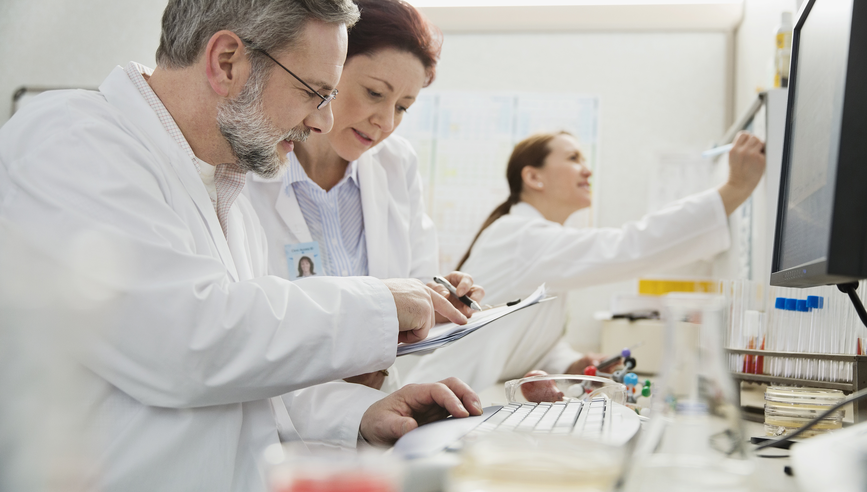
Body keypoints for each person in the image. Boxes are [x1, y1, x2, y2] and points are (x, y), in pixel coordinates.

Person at [0, 1, 482, 491]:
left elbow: (248, 379)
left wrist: (360, 414)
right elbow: (187, 342)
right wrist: (381, 302)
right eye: (314, 93)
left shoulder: (224, 185)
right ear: (227, 62)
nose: (322, 121)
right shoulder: (71, 141)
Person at [403, 130, 766, 390]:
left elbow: (524, 332)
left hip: (460, 398)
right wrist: (733, 191)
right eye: (574, 158)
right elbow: (630, 246)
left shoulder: (536, 241)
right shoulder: (521, 236)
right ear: (533, 177)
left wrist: (570, 364)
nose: (587, 170)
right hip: (431, 401)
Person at [245, 0, 484, 391]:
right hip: (282, 412)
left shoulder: (396, 164)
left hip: (377, 407)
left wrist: (439, 301)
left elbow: (413, 287)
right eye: (375, 93)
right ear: (329, 68)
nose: (386, 122)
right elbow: (249, 325)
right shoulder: (253, 166)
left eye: (403, 107)